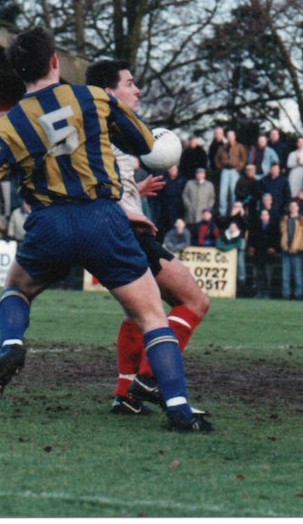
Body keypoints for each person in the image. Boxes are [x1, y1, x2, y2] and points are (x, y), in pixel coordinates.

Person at [0, 27, 210, 431]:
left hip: (50, 224)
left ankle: (11, 345)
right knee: (153, 315)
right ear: (54, 63)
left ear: (20, 71)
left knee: (16, 289)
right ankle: (179, 409)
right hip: (103, 218)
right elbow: (142, 142)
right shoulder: (94, 98)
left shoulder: (9, 124)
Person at [86, 58, 210, 418]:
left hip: (111, 233)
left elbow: (104, 180)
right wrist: (126, 208)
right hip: (129, 233)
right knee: (194, 302)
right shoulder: (110, 130)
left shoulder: (100, 128)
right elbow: (91, 188)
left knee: (137, 312)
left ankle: (126, 394)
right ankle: (150, 378)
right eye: (129, 83)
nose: (137, 89)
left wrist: (133, 190)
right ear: (109, 92)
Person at [279, 200, 303, 300]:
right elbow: (282, 231)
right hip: (286, 250)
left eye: (294, 206)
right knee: (285, 275)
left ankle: (298, 294)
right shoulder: (285, 219)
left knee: (297, 275)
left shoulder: (302, 220)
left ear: (297, 208)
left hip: (296, 250)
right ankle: (286, 294)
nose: (292, 208)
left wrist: (300, 245)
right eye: (291, 206)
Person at [247, 208, 279, 298]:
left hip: (269, 255)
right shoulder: (256, 227)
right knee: (257, 275)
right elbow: (251, 239)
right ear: (260, 216)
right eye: (262, 215)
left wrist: (274, 248)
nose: (264, 216)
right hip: (258, 254)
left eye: (266, 215)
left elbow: (277, 239)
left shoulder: (274, 227)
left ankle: (267, 293)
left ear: (268, 216)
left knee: (268, 275)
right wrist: (251, 247)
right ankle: (258, 292)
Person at [214, 129, 247, 216]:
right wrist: (220, 167)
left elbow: (243, 158)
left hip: (234, 171)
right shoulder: (223, 147)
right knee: (223, 193)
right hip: (225, 171)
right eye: (228, 136)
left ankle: (234, 213)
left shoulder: (239, 147)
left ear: (234, 136)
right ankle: (222, 213)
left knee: (234, 192)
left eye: (231, 136)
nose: (230, 137)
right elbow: (217, 158)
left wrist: (239, 168)